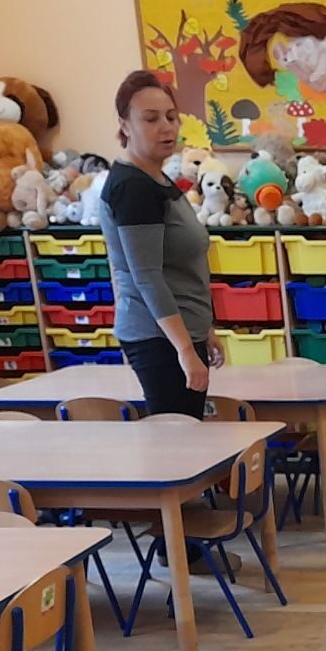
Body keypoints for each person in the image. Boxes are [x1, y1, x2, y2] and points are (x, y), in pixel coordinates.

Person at [98, 70, 219, 417]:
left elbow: (179, 266)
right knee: (177, 435)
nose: (166, 127)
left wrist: (202, 330)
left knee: (189, 430)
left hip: (180, 331)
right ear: (125, 125)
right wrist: (185, 349)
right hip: (159, 338)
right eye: (150, 119)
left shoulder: (155, 176)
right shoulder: (133, 187)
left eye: (171, 117)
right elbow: (147, 275)